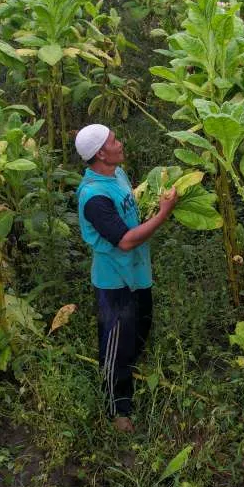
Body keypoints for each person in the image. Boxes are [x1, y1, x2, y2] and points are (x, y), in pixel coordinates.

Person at [74, 123, 177, 433]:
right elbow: (127, 240)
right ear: (102, 153)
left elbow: (129, 209)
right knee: (115, 346)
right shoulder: (93, 197)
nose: (121, 143)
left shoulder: (115, 173)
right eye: (114, 141)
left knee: (141, 328)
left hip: (136, 273)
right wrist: (162, 214)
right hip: (115, 283)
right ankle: (118, 408)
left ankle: (130, 374)